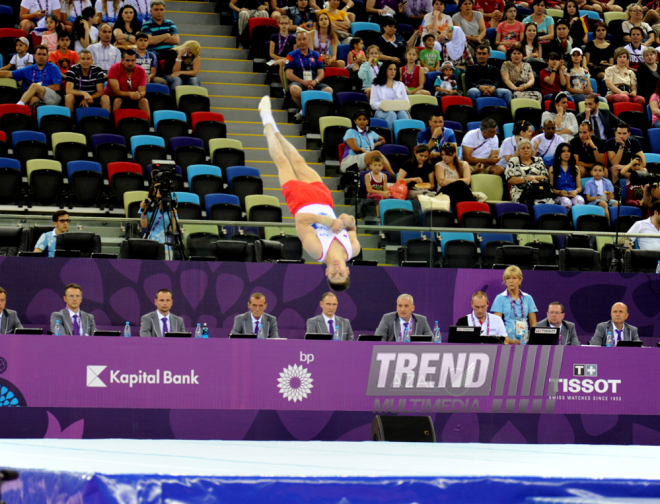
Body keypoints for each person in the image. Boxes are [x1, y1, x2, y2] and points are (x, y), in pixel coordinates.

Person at [259, 96, 360, 291]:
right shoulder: (353, 250)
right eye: (340, 274)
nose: (337, 270)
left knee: (282, 161)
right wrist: (346, 220)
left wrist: (329, 222)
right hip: (324, 199)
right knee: (298, 161)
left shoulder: (316, 251)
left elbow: (300, 219)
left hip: (301, 202)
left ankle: (266, 121)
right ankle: (277, 133)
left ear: (326, 272)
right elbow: (352, 224)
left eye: (333, 274)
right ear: (348, 271)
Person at [492, 265, 538, 344]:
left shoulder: (528, 298)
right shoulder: (500, 298)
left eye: (514, 278)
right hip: (507, 340)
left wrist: (531, 339)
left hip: (525, 339)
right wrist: (507, 340)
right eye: (508, 278)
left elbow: (533, 322)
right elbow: (497, 323)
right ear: (505, 281)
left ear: (520, 280)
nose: (511, 281)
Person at [341, 110, 394, 175]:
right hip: (351, 160)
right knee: (376, 154)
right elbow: (355, 148)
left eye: (364, 119)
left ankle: (391, 177)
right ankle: (393, 176)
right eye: (359, 119)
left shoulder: (371, 133)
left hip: (367, 160)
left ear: (367, 121)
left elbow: (383, 140)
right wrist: (369, 154)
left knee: (379, 158)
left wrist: (374, 145)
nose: (362, 122)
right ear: (355, 121)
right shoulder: (351, 131)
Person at [506, 138, 554, 204]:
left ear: (531, 150)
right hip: (520, 191)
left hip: (539, 190)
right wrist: (527, 180)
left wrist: (533, 178)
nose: (526, 150)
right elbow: (510, 179)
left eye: (528, 148)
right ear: (519, 151)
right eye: (523, 148)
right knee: (531, 202)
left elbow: (545, 177)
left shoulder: (538, 160)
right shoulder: (513, 161)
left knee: (549, 201)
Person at [139, 179, 178, 258]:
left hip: (165, 244)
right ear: (153, 190)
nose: (160, 190)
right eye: (157, 187)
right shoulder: (147, 204)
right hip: (150, 241)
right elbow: (144, 225)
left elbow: (172, 230)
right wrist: (144, 210)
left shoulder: (170, 207)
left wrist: (173, 216)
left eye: (162, 187)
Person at [64, 49, 111, 113]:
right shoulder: (72, 69)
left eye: (88, 59)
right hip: (77, 97)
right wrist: (84, 94)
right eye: (83, 59)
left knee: (105, 98)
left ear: (92, 61)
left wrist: (88, 98)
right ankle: (70, 121)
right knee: (68, 97)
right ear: (79, 60)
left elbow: (100, 91)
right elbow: (68, 90)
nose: (85, 61)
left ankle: (105, 121)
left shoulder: (98, 70)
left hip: (93, 97)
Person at [106, 49, 149, 117]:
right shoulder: (114, 68)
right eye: (127, 60)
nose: (130, 63)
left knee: (144, 101)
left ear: (136, 60)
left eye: (132, 60)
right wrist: (130, 94)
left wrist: (139, 95)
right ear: (122, 60)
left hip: (132, 97)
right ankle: (113, 125)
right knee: (118, 100)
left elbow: (143, 91)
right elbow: (116, 91)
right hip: (114, 97)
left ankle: (147, 126)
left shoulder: (141, 71)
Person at [370, 61, 410, 131]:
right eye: (390, 69)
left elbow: (406, 101)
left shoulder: (400, 84)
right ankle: (390, 139)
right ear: (385, 70)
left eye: (394, 69)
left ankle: (403, 139)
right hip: (381, 111)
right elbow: (372, 103)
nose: (393, 71)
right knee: (392, 114)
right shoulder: (376, 85)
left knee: (403, 114)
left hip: (398, 110)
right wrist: (384, 105)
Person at [549, 142, 585, 211]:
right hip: (559, 196)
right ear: (559, 153)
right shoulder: (552, 168)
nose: (566, 153)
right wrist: (560, 192)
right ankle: (565, 221)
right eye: (563, 151)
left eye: (568, 151)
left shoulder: (576, 168)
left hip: (572, 194)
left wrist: (575, 192)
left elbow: (579, 187)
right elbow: (550, 188)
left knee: (580, 201)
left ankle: (576, 221)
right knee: (566, 203)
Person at [270, 16, 296, 86]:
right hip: (275, 60)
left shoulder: (293, 38)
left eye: (286, 23)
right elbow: (271, 54)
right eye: (282, 23)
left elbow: (295, 53)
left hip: (288, 60)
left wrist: (287, 59)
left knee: (286, 62)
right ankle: (284, 88)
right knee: (282, 62)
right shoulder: (274, 37)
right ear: (278, 24)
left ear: (289, 24)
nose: (284, 25)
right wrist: (283, 59)